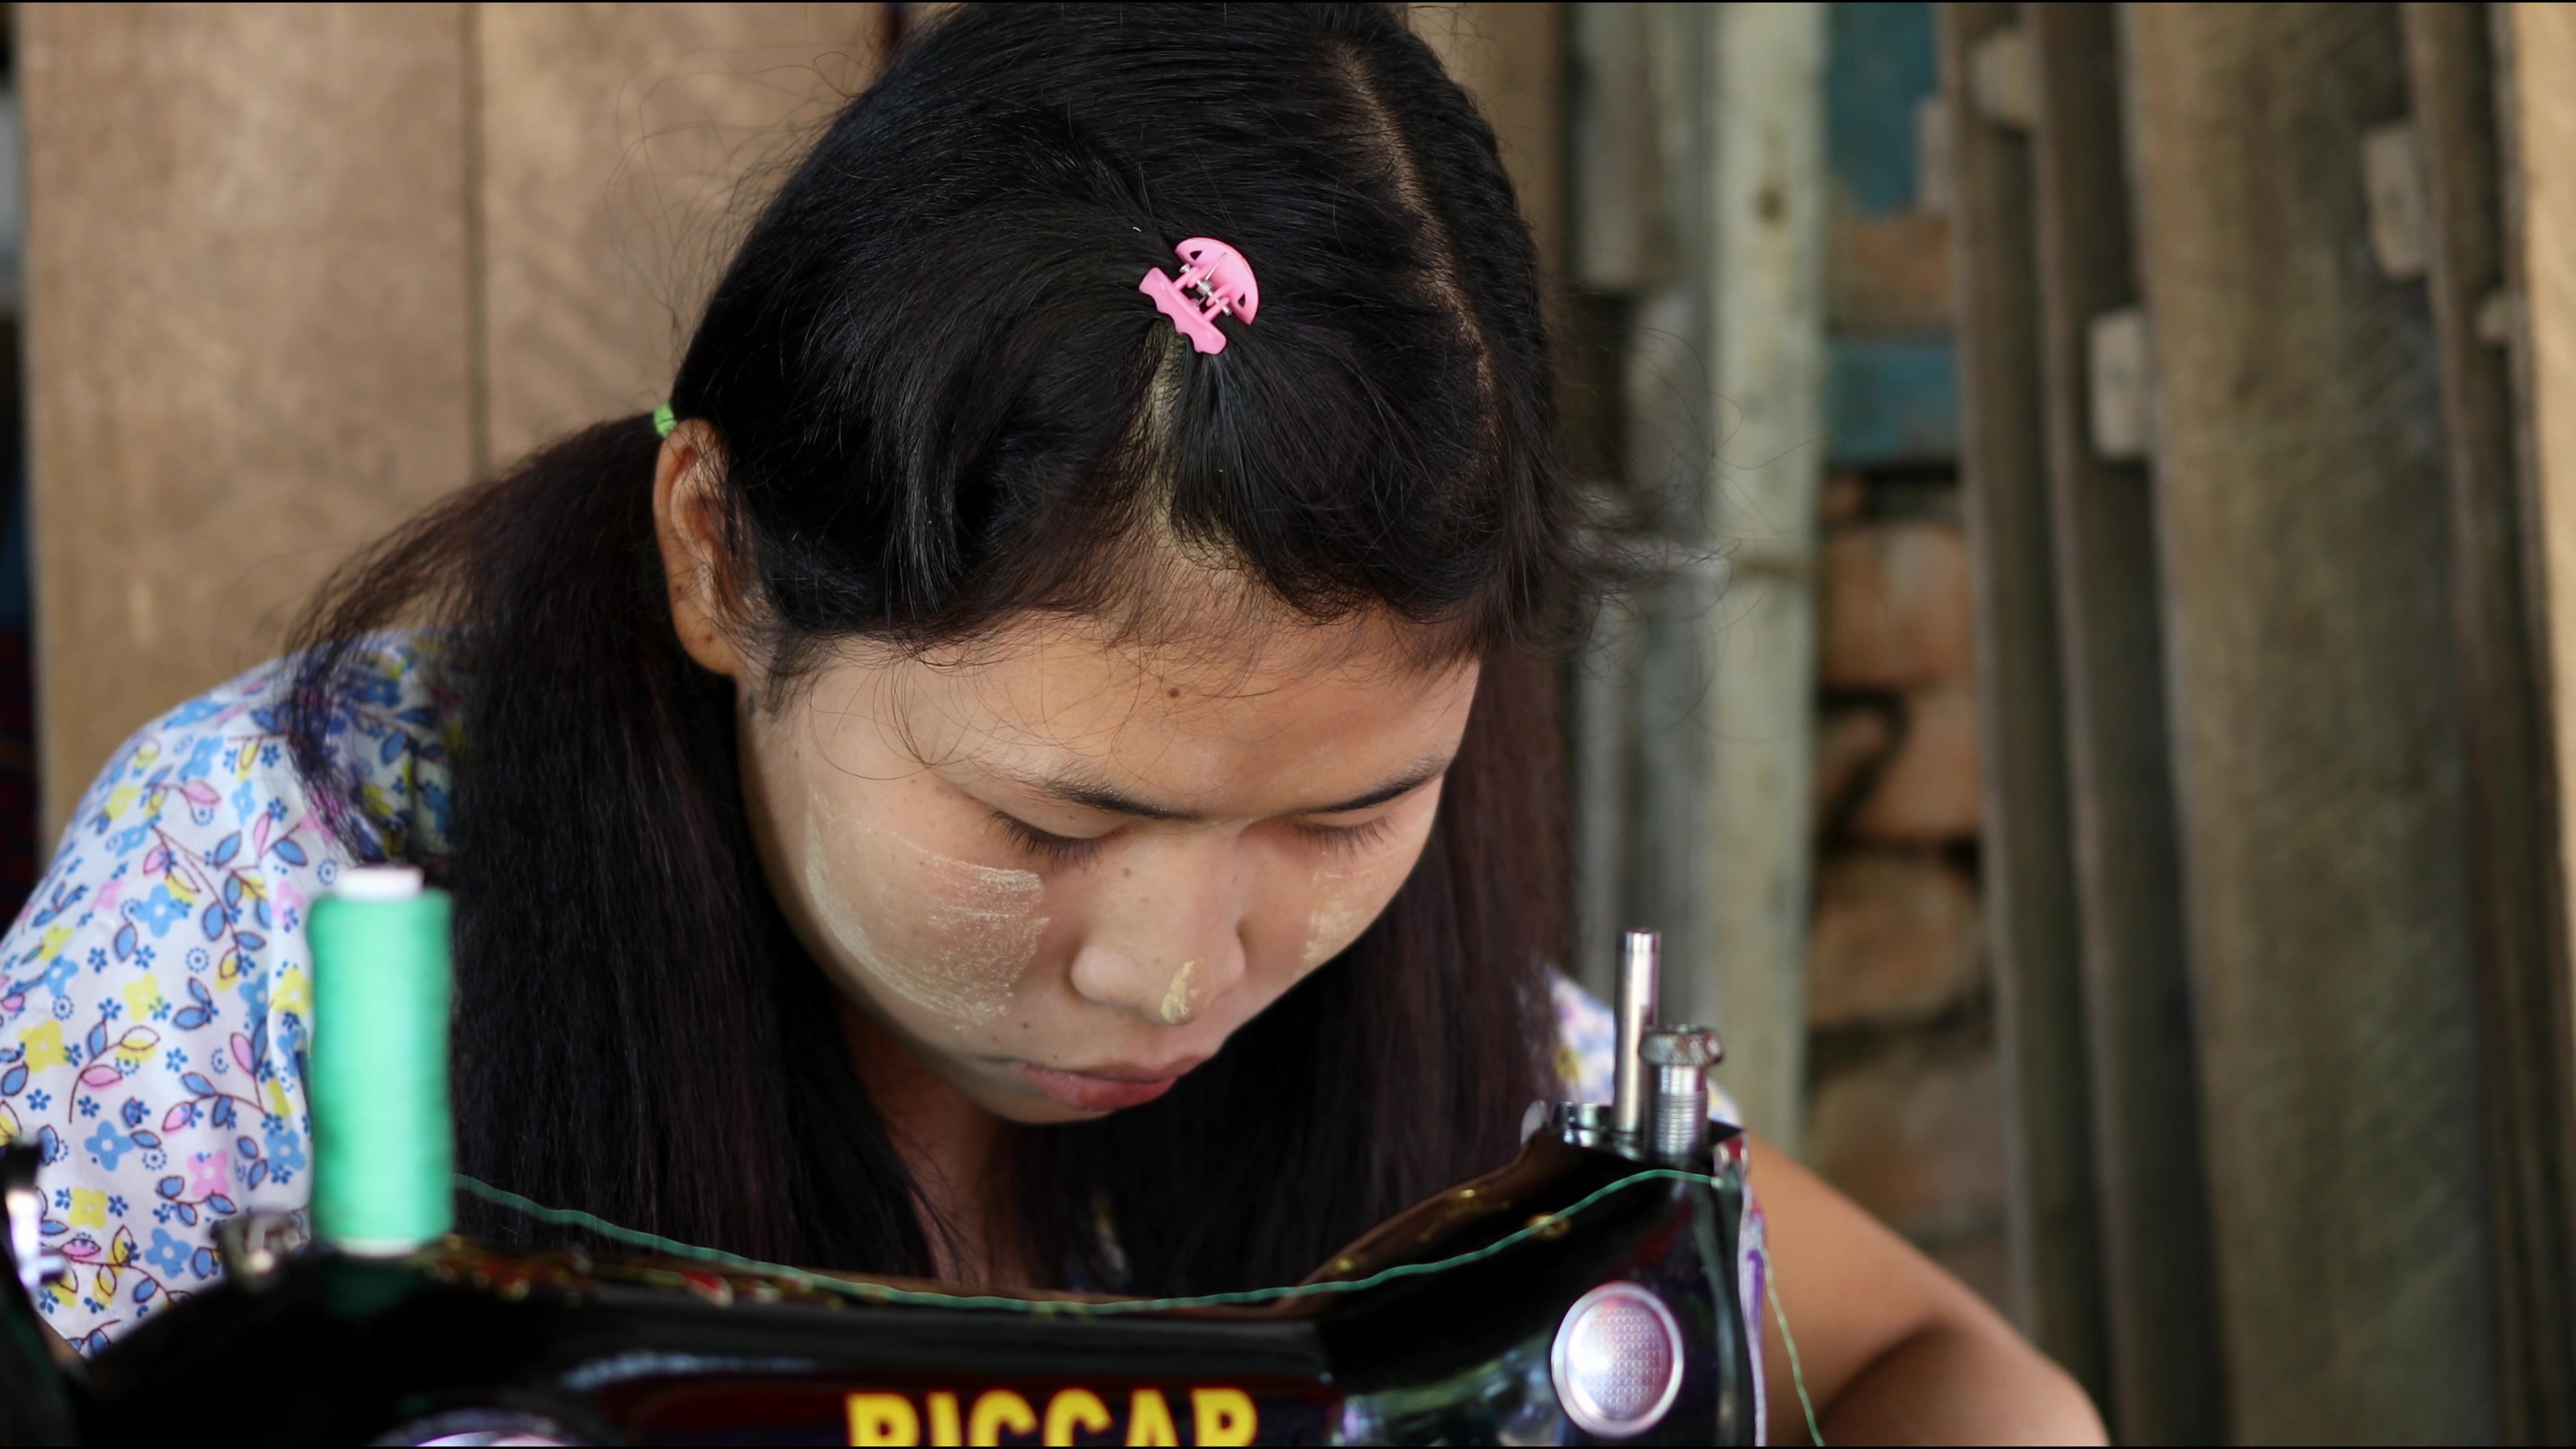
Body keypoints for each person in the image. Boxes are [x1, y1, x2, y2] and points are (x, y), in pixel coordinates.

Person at [0, 5, 2100, 1440]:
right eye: (1050, 827)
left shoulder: (1433, 1061)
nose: (1178, 975)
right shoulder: (247, 922)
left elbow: (1945, 1366)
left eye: (1347, 819)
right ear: (722, 555)